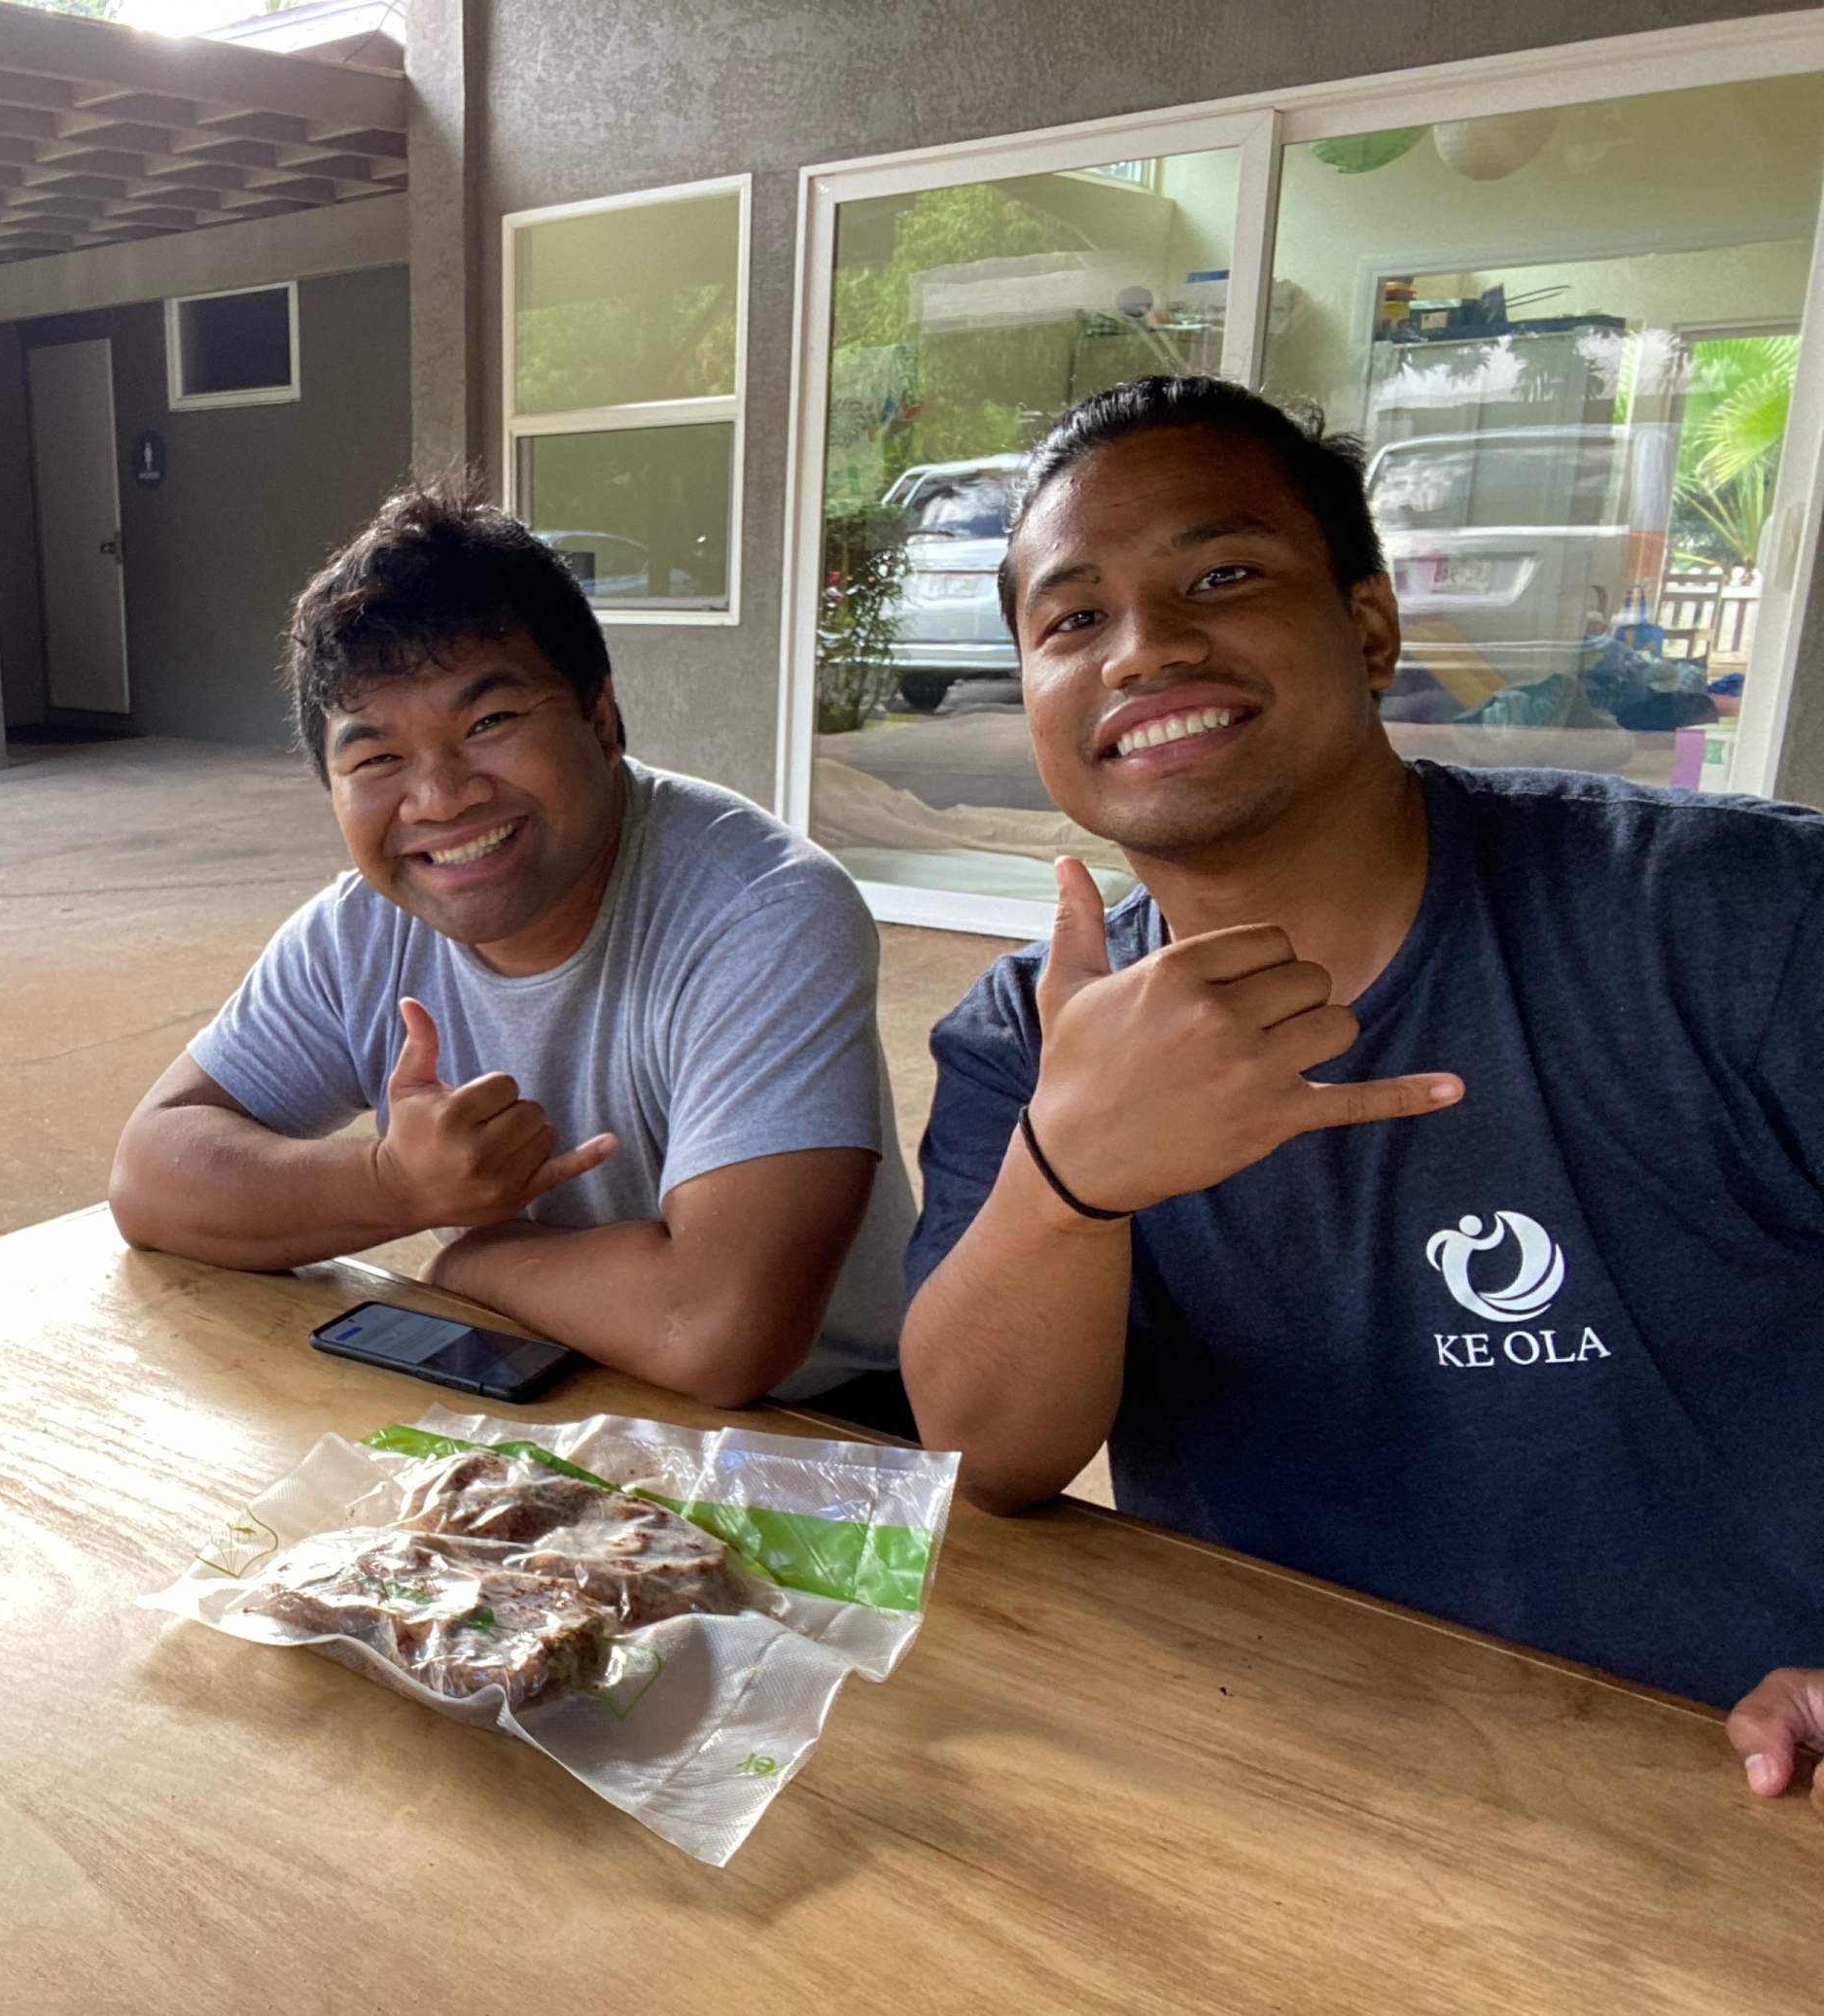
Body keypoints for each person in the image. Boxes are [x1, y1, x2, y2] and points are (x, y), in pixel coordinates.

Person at [898, 375, 1822, 1806]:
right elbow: (990, 1460)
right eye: (1073, 619)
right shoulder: (1023, 1038)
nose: (1147, 647)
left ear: (1370, 626)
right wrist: (1071, 1172)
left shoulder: (1732, 923)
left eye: (1223, 574)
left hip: (1731, 1785)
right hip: (1282, 1777)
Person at [110, 479, 916, 1422]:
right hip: (524, 1386)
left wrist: (473, 1258)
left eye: (489, 724)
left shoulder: (762, 911)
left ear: (602, 721)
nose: (441, 797)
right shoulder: (359, 933)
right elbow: (153, 1176)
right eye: (377, 759)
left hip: (822, 1434)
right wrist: (396, 1183)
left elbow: (718, 1329)